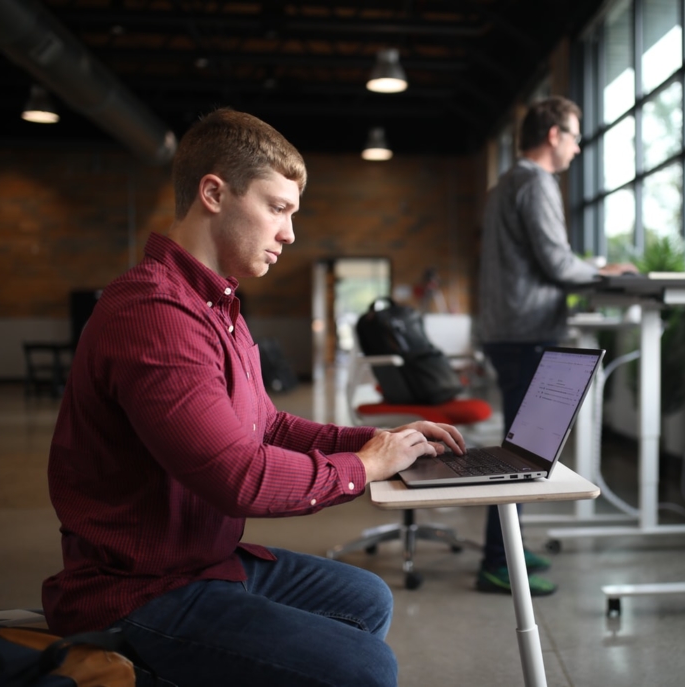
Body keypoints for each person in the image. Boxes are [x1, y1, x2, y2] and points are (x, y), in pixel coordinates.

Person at [42, 108, 465, 687]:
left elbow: (267, 426)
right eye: (277, 207)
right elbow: (237, 477)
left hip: (203, 563)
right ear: (214, 193)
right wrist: (364, 468)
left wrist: (379, 440)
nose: (290, 233)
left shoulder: (222, 309)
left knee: (364, 597)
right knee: (365, 668)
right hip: (139, 590)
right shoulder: (154, 312)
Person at [476, 96, 637, 595]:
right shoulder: (536, 181)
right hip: (526, 332)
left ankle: (509, 547)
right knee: (525, 451)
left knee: (522, 446)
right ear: (553, 135)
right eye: (574, 135)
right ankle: (497, 561)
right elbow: (557, 263)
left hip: (509, 328)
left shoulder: (507, 182)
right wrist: (603, 271)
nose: (577, 146)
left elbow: (542, 258)